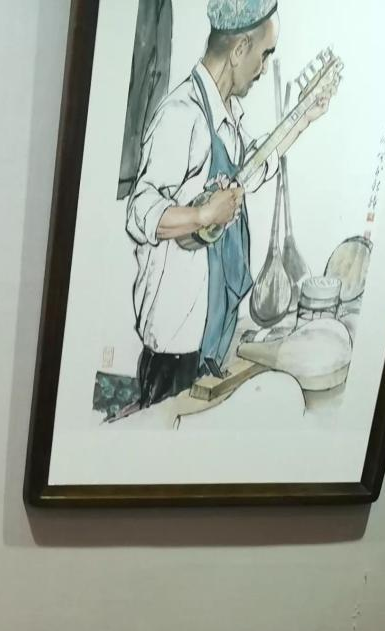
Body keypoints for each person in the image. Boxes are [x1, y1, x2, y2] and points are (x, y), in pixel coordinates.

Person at [125, 0, 331, 409]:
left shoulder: (227, 116)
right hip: (175, 352)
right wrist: (203, 215)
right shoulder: (181, 114)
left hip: (210, 340)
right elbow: (139, 210)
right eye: (264, 54)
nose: (264, 68)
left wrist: (302, 118)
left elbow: (250, 170)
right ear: (239, 50)